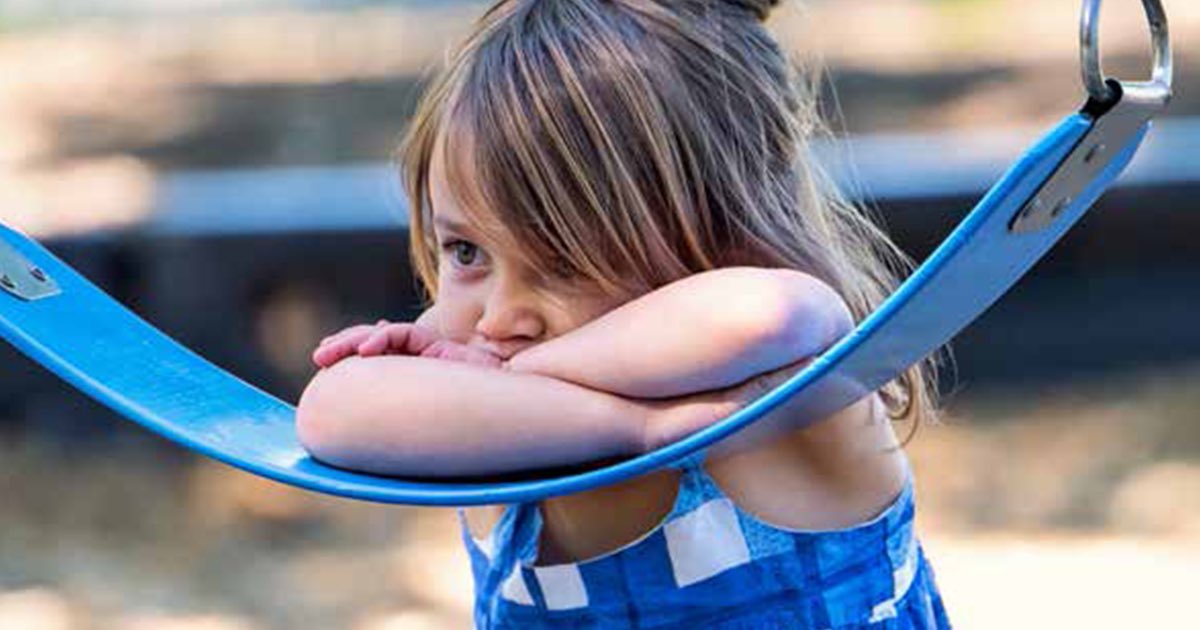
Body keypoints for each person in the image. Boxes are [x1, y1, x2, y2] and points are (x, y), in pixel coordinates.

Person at [297, 0, 951, 627]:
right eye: (467, 252)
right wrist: (628, 424)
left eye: (564, 260)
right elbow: (330, 411)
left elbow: (781, 313)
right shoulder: (482, 371)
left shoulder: (789, 400)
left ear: (725, 240)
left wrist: (541, 384)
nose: (499, 317)